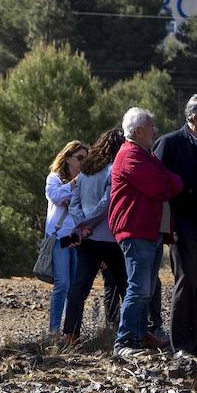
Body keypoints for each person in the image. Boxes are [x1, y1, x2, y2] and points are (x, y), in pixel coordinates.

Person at [108, 108, 183, 357]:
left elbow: (167, 181)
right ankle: (126, 342)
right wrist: (169, 180)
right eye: (152, 127)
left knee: (147, 288)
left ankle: (139, 336)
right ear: (138, 131)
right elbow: (161, 186)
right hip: (135, 229)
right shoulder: (131, 155)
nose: (155, 132)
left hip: (148, 230)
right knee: (139, 288)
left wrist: (168, 180)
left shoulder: (144, 155)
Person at [154, 94, 197, 357]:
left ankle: (195, 342)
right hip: (182, 224)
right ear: (195, 117)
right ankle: (180, 345)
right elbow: (159, 187)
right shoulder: (170, 144)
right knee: (186, 281)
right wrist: (166, 226)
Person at [64, 129, 126, 339]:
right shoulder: (113, 170)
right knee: (126, 286)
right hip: (109, 238)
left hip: (86, 239)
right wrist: (88, 223)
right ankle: (133, 332)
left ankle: (70, 334)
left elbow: (74, 203)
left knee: (79, 288)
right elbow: (107, 204)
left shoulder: (86, 172)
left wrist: (81, 225)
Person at [44, 141, 87, 333]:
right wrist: (74, 184)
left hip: (77, 238)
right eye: (79, 158)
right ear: (68, 158)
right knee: (62, 284)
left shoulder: (86, 182)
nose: (83, 162)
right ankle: (53, 330)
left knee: (74, 288)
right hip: (60, 236)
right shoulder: (54, 178)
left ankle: (70, 331)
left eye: (86, 159)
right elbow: (55, 196)